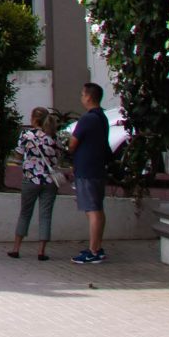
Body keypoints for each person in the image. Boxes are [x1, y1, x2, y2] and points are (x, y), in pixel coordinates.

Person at [6, 105, 62, 260]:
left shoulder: (27, 135)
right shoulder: (54, 137)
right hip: (50, 181)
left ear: (34, 119)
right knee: (45, 215)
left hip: (31, 179)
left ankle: (16, 248)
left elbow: (18, 156)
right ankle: (41, 251)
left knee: (25, 213)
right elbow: (59, 157)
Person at [67, 80, 113, 264]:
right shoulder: (102, 117)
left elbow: (72, 143)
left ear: (88, 96)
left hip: (86, 170)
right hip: (98, 168)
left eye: (82, 94)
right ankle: (97, 246)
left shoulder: (86, 119)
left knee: (92, 210)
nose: (81, 97)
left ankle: (93, 250)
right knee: (98, 208)